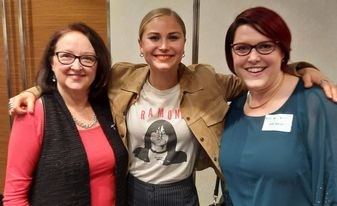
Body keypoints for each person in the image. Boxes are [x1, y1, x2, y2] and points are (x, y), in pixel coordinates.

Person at [7, 8, 337, 206]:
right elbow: (77, 75)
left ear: (183, 46)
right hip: (133, 191)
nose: (163, 45)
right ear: (141, 46)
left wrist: (305, 69)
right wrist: (36, 89)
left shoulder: (207, 80)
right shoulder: (122, 77)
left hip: (181, 194)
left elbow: (259, 78)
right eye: (153, 37)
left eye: (173, 37)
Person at [219, 6, 337, 206]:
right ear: (232, 54)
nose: (253, 57)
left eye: (265, 46)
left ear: (283, 50)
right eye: (242, 48)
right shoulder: (236, 107)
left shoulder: (315, 104)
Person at [3, 23, 128, 206]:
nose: (77, 66)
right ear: (51, 62)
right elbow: (14, 197)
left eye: (87, 58)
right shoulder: (33, 112)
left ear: (97, 65)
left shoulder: (108, 106)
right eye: (66, 56)